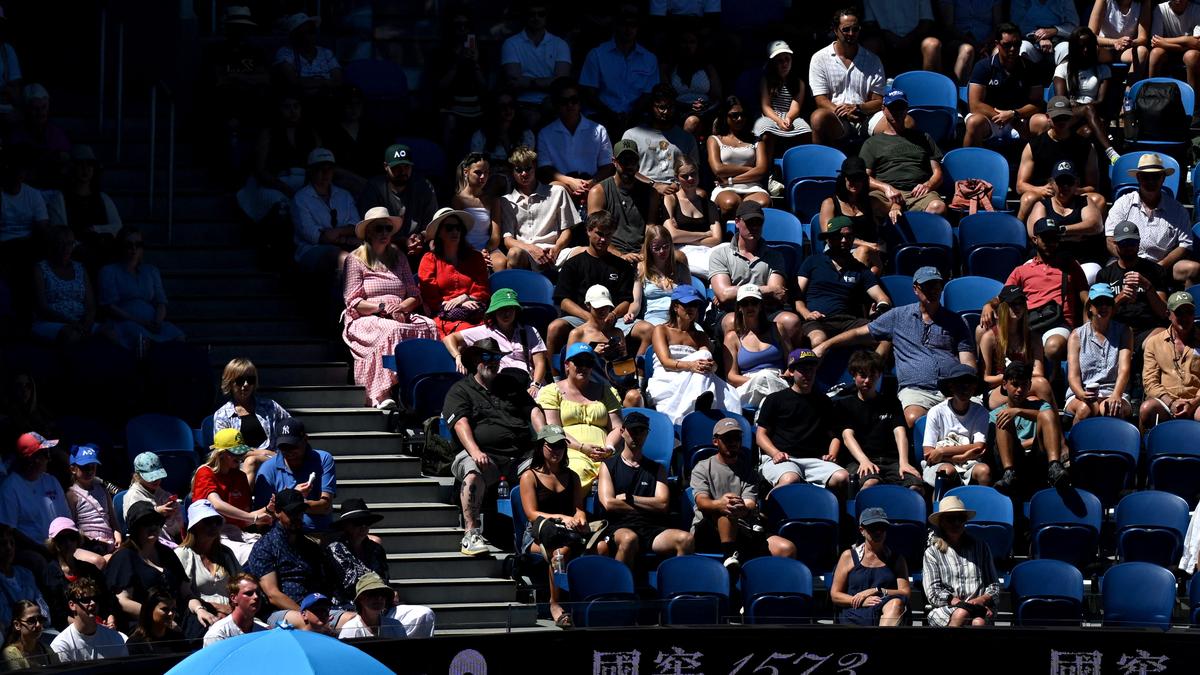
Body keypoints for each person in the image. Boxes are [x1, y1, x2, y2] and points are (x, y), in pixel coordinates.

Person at [816, 267, 976, 427]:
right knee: (914, 418)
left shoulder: (957, 322)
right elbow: (859, 333)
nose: (932, 290)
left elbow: (967, 362)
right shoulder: (898, 316)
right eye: (927, 286)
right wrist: (825, 345)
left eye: (936, 285)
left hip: (953, 389)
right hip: (917, 390)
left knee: (977, 415)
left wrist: (960, 388)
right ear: (915, 289)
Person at [447, 340, 544, 555]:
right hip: (483, 453)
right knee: (472, 471)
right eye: (487, 358)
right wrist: (475, 452)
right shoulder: (461, 390)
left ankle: (540, 529)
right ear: (475, 361)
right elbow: (460, 423)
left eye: (496, 358)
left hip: (519, 454)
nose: (493, 363)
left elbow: (533, 411)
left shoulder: (510, 384)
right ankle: (471, 533)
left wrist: (544, 437)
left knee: (547, 465)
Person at [343, 207, 439, 409]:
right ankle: (381, 392)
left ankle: (425, 386)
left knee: (429, 325)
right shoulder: (355, 259)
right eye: (379, 229)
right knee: (391, 330)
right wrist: (383, 307)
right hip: (367, 316)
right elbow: (353, 301)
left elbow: (414, 294)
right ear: (369, 232)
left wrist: (401, 308)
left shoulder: (399, 257)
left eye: (388, 228)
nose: (385, 233)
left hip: (399, 313)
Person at [692, 417, 796, 571]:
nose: (733, 442)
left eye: (736, 438)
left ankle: (770, 588)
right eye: (727, 438)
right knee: (726, 509)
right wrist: (722, 504)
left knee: (787, 548)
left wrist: (741, 507)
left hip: (742, 527)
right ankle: (729, 558)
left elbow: (749, 502)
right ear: (715, 441)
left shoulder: (748, 471)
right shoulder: (702, 467)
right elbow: (702, 502)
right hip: (708, 529)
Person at [323, 500, 435, 638]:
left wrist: (388, 591)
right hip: (348, 607)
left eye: (367, 523)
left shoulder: (376, 549)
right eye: (357, 523)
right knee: (360, 622)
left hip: (382, 606)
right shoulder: (335, 549)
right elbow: (353, 583)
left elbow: (384, 579)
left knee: (424, 615)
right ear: (346, 526)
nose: (363, 527)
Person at [990, 217, 1090, 368]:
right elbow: (1003, 296)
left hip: (1059, 322)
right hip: (1029, 323)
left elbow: (1085, 295)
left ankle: (1052, 379)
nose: (1051, 242)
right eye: (1046, 238)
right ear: (1035, 239)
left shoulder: (1069, 265)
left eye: (1054, 238)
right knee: (982, 330)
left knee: (1053, 347)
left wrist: (1088, 328)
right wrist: (988, 305)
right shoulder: (1022, 270)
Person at [597, 412, 693, 565]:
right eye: (633, 430)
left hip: (650, 528)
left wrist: (630, 499)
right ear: (622, 432)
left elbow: (663, 504)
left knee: (686, 539)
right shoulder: (609, 465)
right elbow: (609, 503)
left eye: (641, 431)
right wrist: (648, 505)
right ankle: (619, 587)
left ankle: (678, 585)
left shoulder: (657, 469)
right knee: (629, 539)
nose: (637, 435)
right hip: (620, 526)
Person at [107, 501, 213, 638]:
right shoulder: (125, 557)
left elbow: (186, 593)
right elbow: (123, 602)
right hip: (145, 623)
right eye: (146, 523)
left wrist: (199, 610)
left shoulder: (167, 554)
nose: (153, 527)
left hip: (177, 616)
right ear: (135, 528)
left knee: (207, 627)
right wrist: (160, 617)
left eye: (156, 523)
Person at [519, 425, 589, 628]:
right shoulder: (529, 476)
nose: (556, 451)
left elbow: (578, 509)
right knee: (559, 553)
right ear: (541, 447)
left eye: (560, 446)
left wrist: (580, 517)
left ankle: (589, 601)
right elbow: (531, 513)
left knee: (600, 547)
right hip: (538, 534)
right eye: (551, 446)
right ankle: (555, 604)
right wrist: (561, 517)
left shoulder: (572, 476)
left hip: (568, 532)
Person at [755, 349, 849, 492]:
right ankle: (765, 509)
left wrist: (832, 454)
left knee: (843, 477)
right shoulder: (775, 399)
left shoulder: (824, 401)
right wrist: (775, 453)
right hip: (783, 459)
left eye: (812, 369)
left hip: (814, 460)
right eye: (803, 370)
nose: (808, 374)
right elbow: (761, 435)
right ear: (791, 372)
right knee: (790, 479)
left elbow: (835, 435)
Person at [546, 211, 635, 360]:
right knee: (554, 327)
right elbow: (562, 300)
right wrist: (590, 317)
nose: (603, 239)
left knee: (646, 329)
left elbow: (626, 300)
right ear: (588, 231)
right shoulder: (573, 264)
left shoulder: (622, 266)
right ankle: (555, 377)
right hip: (580, 317)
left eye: (608, 235)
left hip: (613, 319)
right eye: (599, 234)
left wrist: (612, 315)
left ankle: (632, 375)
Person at [245, 489, 340, 627]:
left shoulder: (310, 546)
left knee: (352, 621)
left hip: (317, 609)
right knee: (309, 623)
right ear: (277, 512)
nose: (297, 517)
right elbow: (273, 594)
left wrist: (323, 610)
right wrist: (306, 613)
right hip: (281, 611)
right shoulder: (265, 546)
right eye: (291, 513)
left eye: (300, 512)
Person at [647, 285, 741, 425]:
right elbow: (666, 362)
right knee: (702, 356)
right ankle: (697, 407)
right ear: (675, 307)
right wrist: (691, 365)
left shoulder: (701, 336)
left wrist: (712, 366)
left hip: (697, 376)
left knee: (732, 396)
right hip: (668, 376)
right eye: (687, 304)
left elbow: (707, 360)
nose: (691, 308)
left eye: (695, 305)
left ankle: (700, 404)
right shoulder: (661, 330)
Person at [537, 342, 623, 492]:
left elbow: (617, 427)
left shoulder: (606, 391)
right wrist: (582, 448)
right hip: (571, 452)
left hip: (605, 454)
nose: (584, 367)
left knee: (619, 473)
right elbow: (554, 430)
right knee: (578, 470)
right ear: (567, 365)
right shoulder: (552, 391)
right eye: (578, 362)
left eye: (588, 363)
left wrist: (609, 448)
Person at [709, 201, 799, 341]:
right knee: (731, 322)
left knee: (791, 321)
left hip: (766, 311)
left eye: (758, 222)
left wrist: (736, 291)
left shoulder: (774, 256)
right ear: (737, 222)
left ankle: (788, 361)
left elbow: (778, 291)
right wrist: (767, 290)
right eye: (750, 222)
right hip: (734, 311)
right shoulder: (720, 254)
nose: (755, 227)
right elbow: (724, 294)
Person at [1105, 153, 1200, 286]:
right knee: (1107, 270)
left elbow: (1185, 245)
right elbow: (1110, 239)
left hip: (1164, 266)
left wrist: (1159, 267)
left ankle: (1183, 305)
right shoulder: (1123, 203)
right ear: (1138, 178)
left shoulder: (1178, 210)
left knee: (1193, 269)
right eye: (1146, 177)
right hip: (1127, 262)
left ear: (1163, 178)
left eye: (1155, 176)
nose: (1151, 181)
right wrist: (1129, 262)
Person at [835, 351, 924, 492]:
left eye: (872, 375)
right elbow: (847, 436)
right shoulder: (845, 405)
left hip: (892, 461)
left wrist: (904, 462)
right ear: (853, 375)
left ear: (879, 375)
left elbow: (900, 433)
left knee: (915, 487)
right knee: (871, 484)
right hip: (860, 460)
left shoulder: (891, 402)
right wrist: (864, 460)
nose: (867, 381)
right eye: (863, 376)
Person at [796, 216, 891, 349]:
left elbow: (882, 297)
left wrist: (880, 309)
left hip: (849, 322)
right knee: (818, 339)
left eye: (848, 236)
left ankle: (872, 369)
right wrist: (806, 314)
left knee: (884, 338)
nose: (844, 240)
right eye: (838, 236)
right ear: (828, 239)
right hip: (817, 321)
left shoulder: (860, 269)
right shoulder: (812, 262)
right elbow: (796, 296)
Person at [237, 91, 319, 230]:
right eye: (287, 107)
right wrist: (284, 188)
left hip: (306, 184)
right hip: (277, 184)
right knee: (279, 206)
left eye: (296, 106)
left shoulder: (311, 133)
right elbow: (260, 170)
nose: (292, 111)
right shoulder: (268, 133)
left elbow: (319, 163)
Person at [860, 90, 947, 220]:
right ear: (883, 109)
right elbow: (864, 177)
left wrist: (927, 185)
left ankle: (921, 238)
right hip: (886, 194)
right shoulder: (872, 143)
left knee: (938, 207)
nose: (897, 112)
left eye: (901, 108)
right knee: (869, 205)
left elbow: (937, 173)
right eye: (892, 108)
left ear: (906, 110)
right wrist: (885, 187)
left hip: (918, 193)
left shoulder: (923, 138)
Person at [1015, 101, 1104, 226]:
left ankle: (1085, 240)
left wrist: (1076, 190)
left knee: (1098, 200)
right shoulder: (1034, 145)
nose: (1061, 121)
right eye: (1057, 117)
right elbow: (1020, 185)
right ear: (1048, 118)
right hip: (1046, 194)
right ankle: (1018, 235)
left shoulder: (1085, 146)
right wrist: (1040, 190)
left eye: (1065, 117)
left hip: (1073, 192)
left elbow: (1093, 186)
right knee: (1027, 198)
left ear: (1071, 118)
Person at [97, 226, 185, 352]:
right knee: (140, 339)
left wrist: (157, 322)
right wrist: (140, 322)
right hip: (125, 321)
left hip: (151, 321)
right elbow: (109, 306)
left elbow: (161, 302)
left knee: (178, 337)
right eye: (129, 245)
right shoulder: (109, 271)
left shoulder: (151, 271)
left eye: (138, 245)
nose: (134, 249)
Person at [445, 288, 550, 393]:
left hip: (529, 382)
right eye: (501, 309)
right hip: (500, 383)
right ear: (494, 312)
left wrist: (535, 385)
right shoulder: (484, 330)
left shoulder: (529, 331)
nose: (506, 314)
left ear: (515, 310)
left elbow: (540, 362)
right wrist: (458, 356)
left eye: (510, 309)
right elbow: (449, 338)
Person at [809, 7, 886, 146]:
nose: (851, 33)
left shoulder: (872, 60)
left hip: (866, 116)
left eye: (855, 29)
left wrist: (858, 108)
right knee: (818, 117)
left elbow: (878, 101)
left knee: (905, 121)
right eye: (846, 29)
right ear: (835, 30)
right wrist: (844, 112)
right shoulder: (820, 58)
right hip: (837, 117)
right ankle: (819, 162)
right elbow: (821, 100)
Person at [964, 22, 1049, 147]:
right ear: (997, 44)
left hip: (1020, 117)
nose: (1013, 49)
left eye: (1017, 44)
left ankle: (1036, 163)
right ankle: (969, 163)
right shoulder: (983, 67)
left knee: (1044, 122)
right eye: (1007, 45)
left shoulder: (1031, 68)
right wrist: (1005, 117)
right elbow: (975, 105)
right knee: (973, 123)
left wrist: (1014, 115)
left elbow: (1037, 103)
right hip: (991, 119)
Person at [579, 4, 660, 134]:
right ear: (616, 26)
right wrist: (612, 115)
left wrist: (630, 116)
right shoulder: (596, 54)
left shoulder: (649, 59)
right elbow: (589, 93)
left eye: (633, 25)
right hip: (601, 116)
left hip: (637, 118)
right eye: (624, 24)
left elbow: (648, 94)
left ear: (638, 28)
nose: (628, 29)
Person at [991, 361, 1070, 492]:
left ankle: (1054, 466)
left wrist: (1019, 411)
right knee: (1003, 417)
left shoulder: (1041, 406)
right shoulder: (994, 414)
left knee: (1048, 415)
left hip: (1037, 457)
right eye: (1015, 385)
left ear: (1030, 386)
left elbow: (1047, 417)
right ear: (1005, 385)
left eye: (1024, 385)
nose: (1020, 390)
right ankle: (1009, 473)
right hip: (1014, 458)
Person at [497, 145, 580, 271]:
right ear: (512, 172)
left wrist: (556, 249)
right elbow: (508, 240)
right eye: (518, 170)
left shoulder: (557, 192)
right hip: (527, 254)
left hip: (555, 252)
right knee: (514, 254)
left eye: (528, 168)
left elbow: (566, 231)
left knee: (584, 253)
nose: (524, 174)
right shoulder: (507, 201)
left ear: (534, 167)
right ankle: (514, 290)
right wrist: (532, 249)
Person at [923, 496, 1000, 627]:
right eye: (951, 519)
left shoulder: (981, 548)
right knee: (962, 614)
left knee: (979, 622)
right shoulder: (932, 553)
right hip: (946, 607)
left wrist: (981, 600)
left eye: (961, 519)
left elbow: (994, 586)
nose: (957, 523)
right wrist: (962, 605)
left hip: (979, 606)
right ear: (942, 522)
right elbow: (933, 592)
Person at [355, 143, 439, 262]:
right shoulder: (374, 188)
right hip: (382, 248)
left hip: (419, 247)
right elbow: (368, 230)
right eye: (397, 167)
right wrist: (403, 241)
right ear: (385, 166)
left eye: (406, 166)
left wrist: (420, 237)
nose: (402, 171)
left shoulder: (423, 187)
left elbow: (432, 224)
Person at [1093, 220, 1169, 350]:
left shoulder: (1155, 271)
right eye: (1123, 243)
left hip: (1147, 330)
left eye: (1132, 243)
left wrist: (1148, 287)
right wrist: (1120, 298)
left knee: (1161, 338)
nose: (1128, 247)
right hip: (1115, 330)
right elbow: (1098, 316)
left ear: (1139, 243)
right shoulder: (1104, 275)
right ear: (1115, 244)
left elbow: (1164, 313)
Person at [535, 79, 614, 203]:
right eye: (564, 101)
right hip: (561, 190)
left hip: (594, 187)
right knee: (557, 188)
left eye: (574, 100)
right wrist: (570, 182)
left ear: (580, 102)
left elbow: (607, 165)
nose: (570, 105)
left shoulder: (599, 130)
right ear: (556, 104)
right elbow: (545, 169)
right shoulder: (545, 134)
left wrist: (591, 182)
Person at [1066, 283, 1135, 422]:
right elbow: (1073, 376)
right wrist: (1081, 394)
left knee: (1111, 409)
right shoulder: (1077, 336)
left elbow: (1124, 369)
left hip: (1114, 390)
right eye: (1098, 303)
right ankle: (1075, 443)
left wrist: (1116, 394)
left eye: (1107, 302)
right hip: (1084, 391)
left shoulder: (1124, 332)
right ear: (1090, 307)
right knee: (1085, 409)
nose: (1103, 307)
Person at [419, 207, 492, 338]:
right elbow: (428, 291)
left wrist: (465, 297)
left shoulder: (475, 257)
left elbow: (482, 287)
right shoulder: (430, 259)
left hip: (473, 312)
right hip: (444, 315)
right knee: (465, 333)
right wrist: (455, 303)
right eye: (449, 228)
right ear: (439, 233)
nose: (455, 231)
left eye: (458, 228)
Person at [212, 358, 288, 481]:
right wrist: (260, 453)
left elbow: (290, 428)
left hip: (275, 460)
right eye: (240, 380)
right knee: (251, 461)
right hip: (239, 465)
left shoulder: (270, 407)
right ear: (230, 382)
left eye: (250, 380)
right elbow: (223, 449)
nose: (246, 384)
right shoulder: (222, 415)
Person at [253, 418, 335, 533]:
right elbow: (261, 519)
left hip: (318, 533)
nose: (288, 452)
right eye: (283, 447)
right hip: (283, 535)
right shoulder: (267, 469)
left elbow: (325, 506)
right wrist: (295, 497)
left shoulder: (323, 459)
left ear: (305, 439)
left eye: (293, 446)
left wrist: (284, 505)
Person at [831, 508, 910, 626]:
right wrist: (860, 600)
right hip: (855, 610)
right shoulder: (849, 556)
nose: (878, 531)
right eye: (873, 528)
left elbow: (905, 592)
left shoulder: (896, 559)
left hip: (883, 607)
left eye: (882, 528)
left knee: (896, 603)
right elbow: (835, 594)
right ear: (862, 530)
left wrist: (877, 590)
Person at [977, 285, 1052, 408]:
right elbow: (985, 380)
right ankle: (1055, 425)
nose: (1017, 308)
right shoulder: (989, 337)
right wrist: (1007, 378)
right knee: (1041, 384)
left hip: (1024, 388)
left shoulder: (1033, 337)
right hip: (998, 390)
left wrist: (1020, 379)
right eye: (1012, 304)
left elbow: (1038, 372)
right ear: (1003, 307)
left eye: (1021, 303)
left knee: (1034, 401)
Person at [1054, 27, 1121, 164]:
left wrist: (1082, 107)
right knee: (1088, 109)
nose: (1085, 50)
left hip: (1094, 116)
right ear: (1073, 48)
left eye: (1088, 46)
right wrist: (1083, 108)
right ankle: (1111, 152)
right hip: (1070, 115)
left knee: (1087, 132)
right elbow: (1061, 101)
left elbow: (1102, 101)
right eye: (1081, 46)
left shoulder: (1102, 70)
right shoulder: (1062, 69)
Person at [625, 224, 693, 356]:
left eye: (666, 246)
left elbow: (690, 298)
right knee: (660, 335)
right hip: (654, 317)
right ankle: (640, 369)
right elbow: (636, 302)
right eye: (656, 248)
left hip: (679, 317)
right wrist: (631, 313)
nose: (662, 251)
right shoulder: (642, 269)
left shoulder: (680, 268)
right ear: (649, 249)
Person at [292, 148, 359, 278]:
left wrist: (337, 232)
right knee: (343, 258)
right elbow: (314, 236)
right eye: (320, 169)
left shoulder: (344, 195)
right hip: (311, 252)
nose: (325, 173)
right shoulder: (300, 198)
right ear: (311, 171)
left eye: (329, 169)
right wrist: (344, 234)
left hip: (347, 245)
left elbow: (356, 226)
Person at [922, 364, 993, 488]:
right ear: (951, 386)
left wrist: (942, 451)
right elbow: (929, 453)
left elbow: (979, 446)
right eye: (960, 384)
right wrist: (961, 456)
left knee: (984, 471)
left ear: (975, 387)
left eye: (969, 384)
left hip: (969, 462)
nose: (965, 389)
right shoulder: (936, 412)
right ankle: (939, 506)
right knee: (946, 471)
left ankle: (983, 504)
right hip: (942, 463)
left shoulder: (981, 412)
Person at [586, 139, 656, 264]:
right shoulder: (599, 191)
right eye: (624, 161)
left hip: (642, 253)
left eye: (632, 161)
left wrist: (643, 253)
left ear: (638, 163)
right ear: (614, 162)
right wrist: (620, 255)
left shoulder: (650, 193)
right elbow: (595, 233)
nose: (628, 165)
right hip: (608, 252)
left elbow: (651, 227)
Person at [0, 433, 70, 556]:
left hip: (63, 548)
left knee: (98, 562)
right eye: (45, 454)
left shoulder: (51, 481)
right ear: (32, 458)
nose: (49, 458)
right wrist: (42, 550)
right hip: (33, 552)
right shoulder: (10, 487)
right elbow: (9, 530)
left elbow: (66, 517)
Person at [721, 284, 790, 409]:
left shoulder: (777, 328)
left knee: (769, 394)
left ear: (760, 305)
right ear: (739, 307)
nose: (750, 307)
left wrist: (785, 373)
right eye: (745, 303)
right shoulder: (733, 337)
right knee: (769, 384)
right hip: (748, 384)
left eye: (754, 302)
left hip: (777, 378)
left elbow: (791, 360)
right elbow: (731, 377)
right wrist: (760, 380)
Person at [1024, 160, 1106, 263]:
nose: (1065, 186)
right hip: (1047, 259)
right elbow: (1037, 235)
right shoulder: (1042, 204)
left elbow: (1096, 226)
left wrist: (1062, 230)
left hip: (1081, 258)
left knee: (1091, 274)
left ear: (1077, 183)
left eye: (1069, 181)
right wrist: (1072, 236)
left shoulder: (1084, 201)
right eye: (1061, 182)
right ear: (1051, 183)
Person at [174, 500, 243, 620]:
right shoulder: (183, 554)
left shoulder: (225, 553)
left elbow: (240, 583)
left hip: (233, 613)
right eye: (207, 522)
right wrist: (216, 607)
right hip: (200, 614)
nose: (213, 526)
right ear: (195, 526)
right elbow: (182, 595)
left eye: (216, 521)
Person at [1140, 291, 1200, 429]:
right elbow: (1150, 382)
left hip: (1197, 401)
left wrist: (1193, 403)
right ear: (1168, 314)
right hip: (1166, 401)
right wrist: (1171, 403)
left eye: (1189, 312)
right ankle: (1147, 448)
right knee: (1146, 409)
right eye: (1179, 313)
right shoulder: (1154, 343)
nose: (1185, 317)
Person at [31, 227, 101, 345]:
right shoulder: (41, 269)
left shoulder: (80, 268)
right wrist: (70, 322)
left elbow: (90, 304)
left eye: (70, 244)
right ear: (52, 245)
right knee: (71, 335)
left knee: (109, 331)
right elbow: (41, 307)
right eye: (60, 244)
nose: (65, 248)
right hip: (52, 322)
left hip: (81, 322)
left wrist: (87, 324)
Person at [621, 83, 699, 186]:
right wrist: (654, 184)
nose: (665, 111)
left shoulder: (687, 138)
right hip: (644, 188)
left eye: (670, 107)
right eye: (661, 107)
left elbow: (693, 171)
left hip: (677, 189)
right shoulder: (632, 135)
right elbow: (625, 169)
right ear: (651, 106)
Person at [43, 518, 115, 629]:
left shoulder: (89, 569)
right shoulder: (50, 574)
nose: (68, 543)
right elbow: (57, 614)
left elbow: (107, 598)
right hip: (73, 631)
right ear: (54, 543)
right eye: (62, 539)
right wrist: (87, 626)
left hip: (100, 626)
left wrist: (110, 619)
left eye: (72, 537)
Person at [706, 96, 771, 218]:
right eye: (734, 115)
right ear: (725, 116)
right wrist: (750, 169)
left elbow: (762, 170)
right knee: (730, 203)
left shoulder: (757, 140)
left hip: (752, 186)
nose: (739, 119)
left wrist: (731, 179)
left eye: (743, 115)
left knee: (762, 203)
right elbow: (718, 169)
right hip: (725, 188)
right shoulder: (714, 140)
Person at [819, 157, 885, 275]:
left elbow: (894, 204)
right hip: (838, 248)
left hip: (871, 252)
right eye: (851, 178)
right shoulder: (830, 203)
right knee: (864, 252)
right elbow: (829, 236)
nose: (855, 182)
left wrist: (895, 206)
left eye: (859, 178)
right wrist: (866, 244)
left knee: (873, 264)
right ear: (843, 179)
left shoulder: (871, 202)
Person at [501, 2, 571, 112]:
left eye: (541, 14)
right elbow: (514, 82)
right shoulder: (511, 43)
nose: (536, 17)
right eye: (531, 14)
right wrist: (549, 82)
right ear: (526, 16)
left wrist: (529, 82)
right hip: (520, 104)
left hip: (553, 104)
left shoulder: (560, 44)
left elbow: (562, 82)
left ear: (546, 16)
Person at [565, 285, 636, 391]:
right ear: (588, 305)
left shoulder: (617, 332)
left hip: (615, 383)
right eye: (598, 307)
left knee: (635, 396)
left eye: (606, 306)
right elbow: (568, 367)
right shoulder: (577, 334)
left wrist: (620, 354)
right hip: (588, 385)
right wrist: (592, 354)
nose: (602, 310)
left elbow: (625, 369)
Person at [660, 157, 722, 277]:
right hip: (683, 252)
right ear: (677, 177)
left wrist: (684, 236)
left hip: (706, 250)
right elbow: (672, 236)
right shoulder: (671, 200)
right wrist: (705, 234)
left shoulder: (708, 205)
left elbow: (716, 239)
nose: (690, 179)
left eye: (693, 174)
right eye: (685, 176)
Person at [63, 145, 122, 263]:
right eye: (80, 164)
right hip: (72, 256)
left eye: (89, 164)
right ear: (73, 167)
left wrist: (96, 229)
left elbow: (118, 227)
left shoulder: (103, 198)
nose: (85, 169)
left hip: (100, 254)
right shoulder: (61, 198)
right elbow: (60, 231)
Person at [754, 40, 812, 157]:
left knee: (805, 129)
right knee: (766, 130)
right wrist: (778, 120)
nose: (784, 64)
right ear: (773, 63)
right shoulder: (766, 80)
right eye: (780, 61)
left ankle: (799, 162)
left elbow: (796, 106)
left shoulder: (798, 82)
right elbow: (766, 106)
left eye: (787, 59)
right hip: (771, 115)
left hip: (790, 116)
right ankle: (767, 165)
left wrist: (789, 118)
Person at [49, 578, 128, 663]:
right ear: (72, 605)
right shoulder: (62, 645)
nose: (93, 603)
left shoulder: (116, 638)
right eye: (86, 600)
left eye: (95, 598)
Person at [662, 29, 722, 136]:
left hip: (706, 110)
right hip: (677, 110)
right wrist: (687, 106)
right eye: (684, 42)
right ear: (678, 44)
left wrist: (705, 105)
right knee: (691, 122)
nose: (687, 46)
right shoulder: (670, 68)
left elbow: (717, 95)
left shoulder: (707, 67)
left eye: (692, 42)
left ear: (698, 45)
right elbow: (665, 96)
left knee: (700, 122)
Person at [64, 444, 120, 558]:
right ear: (73, 469)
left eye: (92, 467)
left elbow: (112, 517)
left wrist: (117, 533)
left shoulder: (103, 489)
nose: (89, 471)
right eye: (85, 468)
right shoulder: (72, 495)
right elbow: (72, 525)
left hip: (109, 539)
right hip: (89, 542)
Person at [861, 0, 942, 73]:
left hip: (916, 40)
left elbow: (927, 21)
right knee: (870, 45)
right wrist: (888, 36)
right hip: (885, 41)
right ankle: (871, 87)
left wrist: (909, 39)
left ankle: (930, 86)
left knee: (932, 45)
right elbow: (870, 23)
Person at [122, 452, 183, 547]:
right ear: (138, 476)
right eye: (150, 477)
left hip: (170, 540)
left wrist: (172, 514)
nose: (155, 480)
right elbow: (137, 523)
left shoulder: (160, 492)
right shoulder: (133, 496)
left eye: (158, 476)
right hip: (148, 544)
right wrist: (157, 512)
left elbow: (177, 528)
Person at [273, 13, 342, 96]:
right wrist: (325, 81)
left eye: (311, 31)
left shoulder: (326, 53)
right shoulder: (285, 53)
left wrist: (310, 82)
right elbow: (293, 81)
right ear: (293, 37)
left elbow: (338, 80)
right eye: (301, 34)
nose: (307, 36)